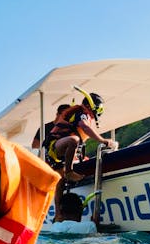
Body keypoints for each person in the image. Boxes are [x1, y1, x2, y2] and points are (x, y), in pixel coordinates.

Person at [42, 91, 116, 223]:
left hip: (61, 154)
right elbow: (84, 128)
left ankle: (59, 215)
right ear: (91, 106)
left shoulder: (84, 115)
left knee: (59, 183)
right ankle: (69, 172)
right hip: (55, 148)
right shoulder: (82, 113)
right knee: (74, 140)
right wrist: (104, 141)